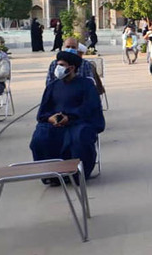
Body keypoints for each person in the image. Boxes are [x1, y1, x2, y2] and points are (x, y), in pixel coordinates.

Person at [30, 51, 105, 179]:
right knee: (40, 138)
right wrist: (50, 118)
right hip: (54, 124)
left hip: (79, 122)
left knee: (80, 137)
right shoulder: (52, 86)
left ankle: (77, 175)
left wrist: (69, 118)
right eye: (57, 65)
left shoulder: (87, 85)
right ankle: (51, 175)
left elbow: (90, 107)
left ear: (71, 68)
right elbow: (43, 111)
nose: (57, 68)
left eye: (61, 65)